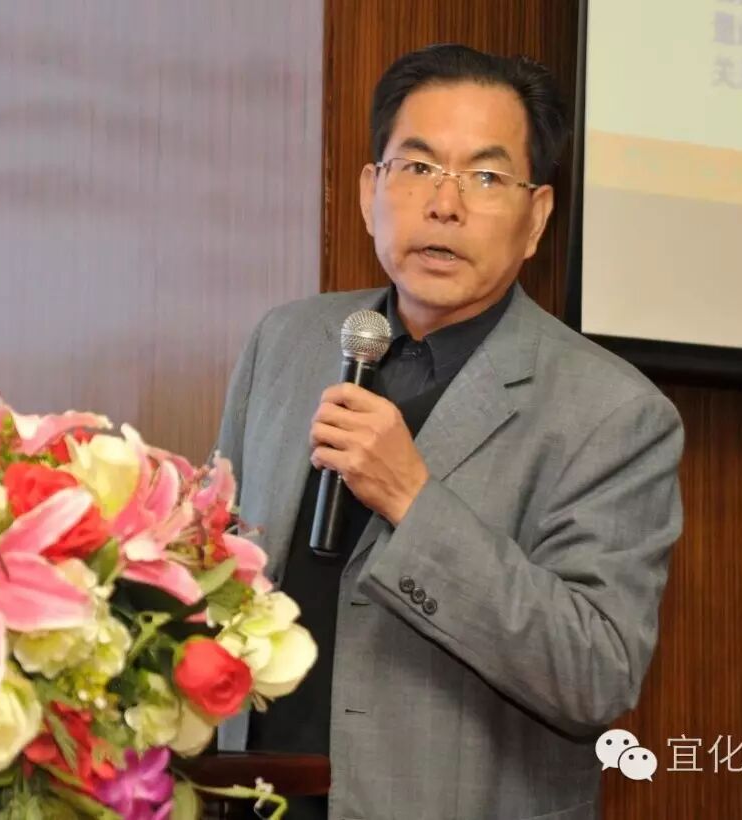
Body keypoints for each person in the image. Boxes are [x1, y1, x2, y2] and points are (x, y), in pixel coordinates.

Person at [214, 44, 684, 819]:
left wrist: (413, 499)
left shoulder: (612, 413)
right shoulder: (288, 342)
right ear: (370, 191)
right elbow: (214, 564)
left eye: (486, 178)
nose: (445, 205)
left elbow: (597, 674)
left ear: (536, 218)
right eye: (418, 167)